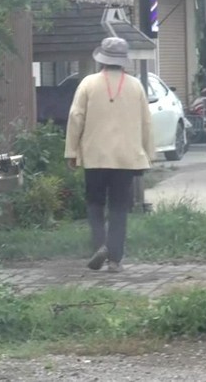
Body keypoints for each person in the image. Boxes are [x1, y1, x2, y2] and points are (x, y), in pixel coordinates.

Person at [64, 37, 155, 273]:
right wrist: (148, 154)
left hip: (95, 157)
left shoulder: (88, 83)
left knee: (94, 203)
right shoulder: (135, 86)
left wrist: (72, 151)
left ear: (101, 60)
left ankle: (99, 246)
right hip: (125, 159)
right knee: (119, 207)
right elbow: (146, 122)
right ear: (123, 62)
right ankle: (115, 259)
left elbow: (76, 118)